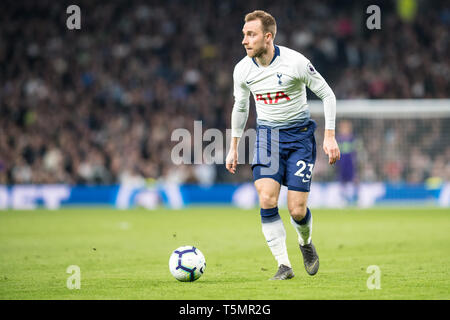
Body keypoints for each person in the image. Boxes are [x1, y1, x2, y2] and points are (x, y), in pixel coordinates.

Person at [225, 10, 340, 280]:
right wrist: (233, 146)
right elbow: (240, 107)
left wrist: (330, 135)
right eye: (243, 34)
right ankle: (284, 265)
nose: (244, 40)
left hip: (299, 138)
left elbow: (327, 94)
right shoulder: (242, 70)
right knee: (266, 197)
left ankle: (305, 244)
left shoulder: (295, 62)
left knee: (297, 209)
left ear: (268, 37)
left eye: (250, 34)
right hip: (267, 137)